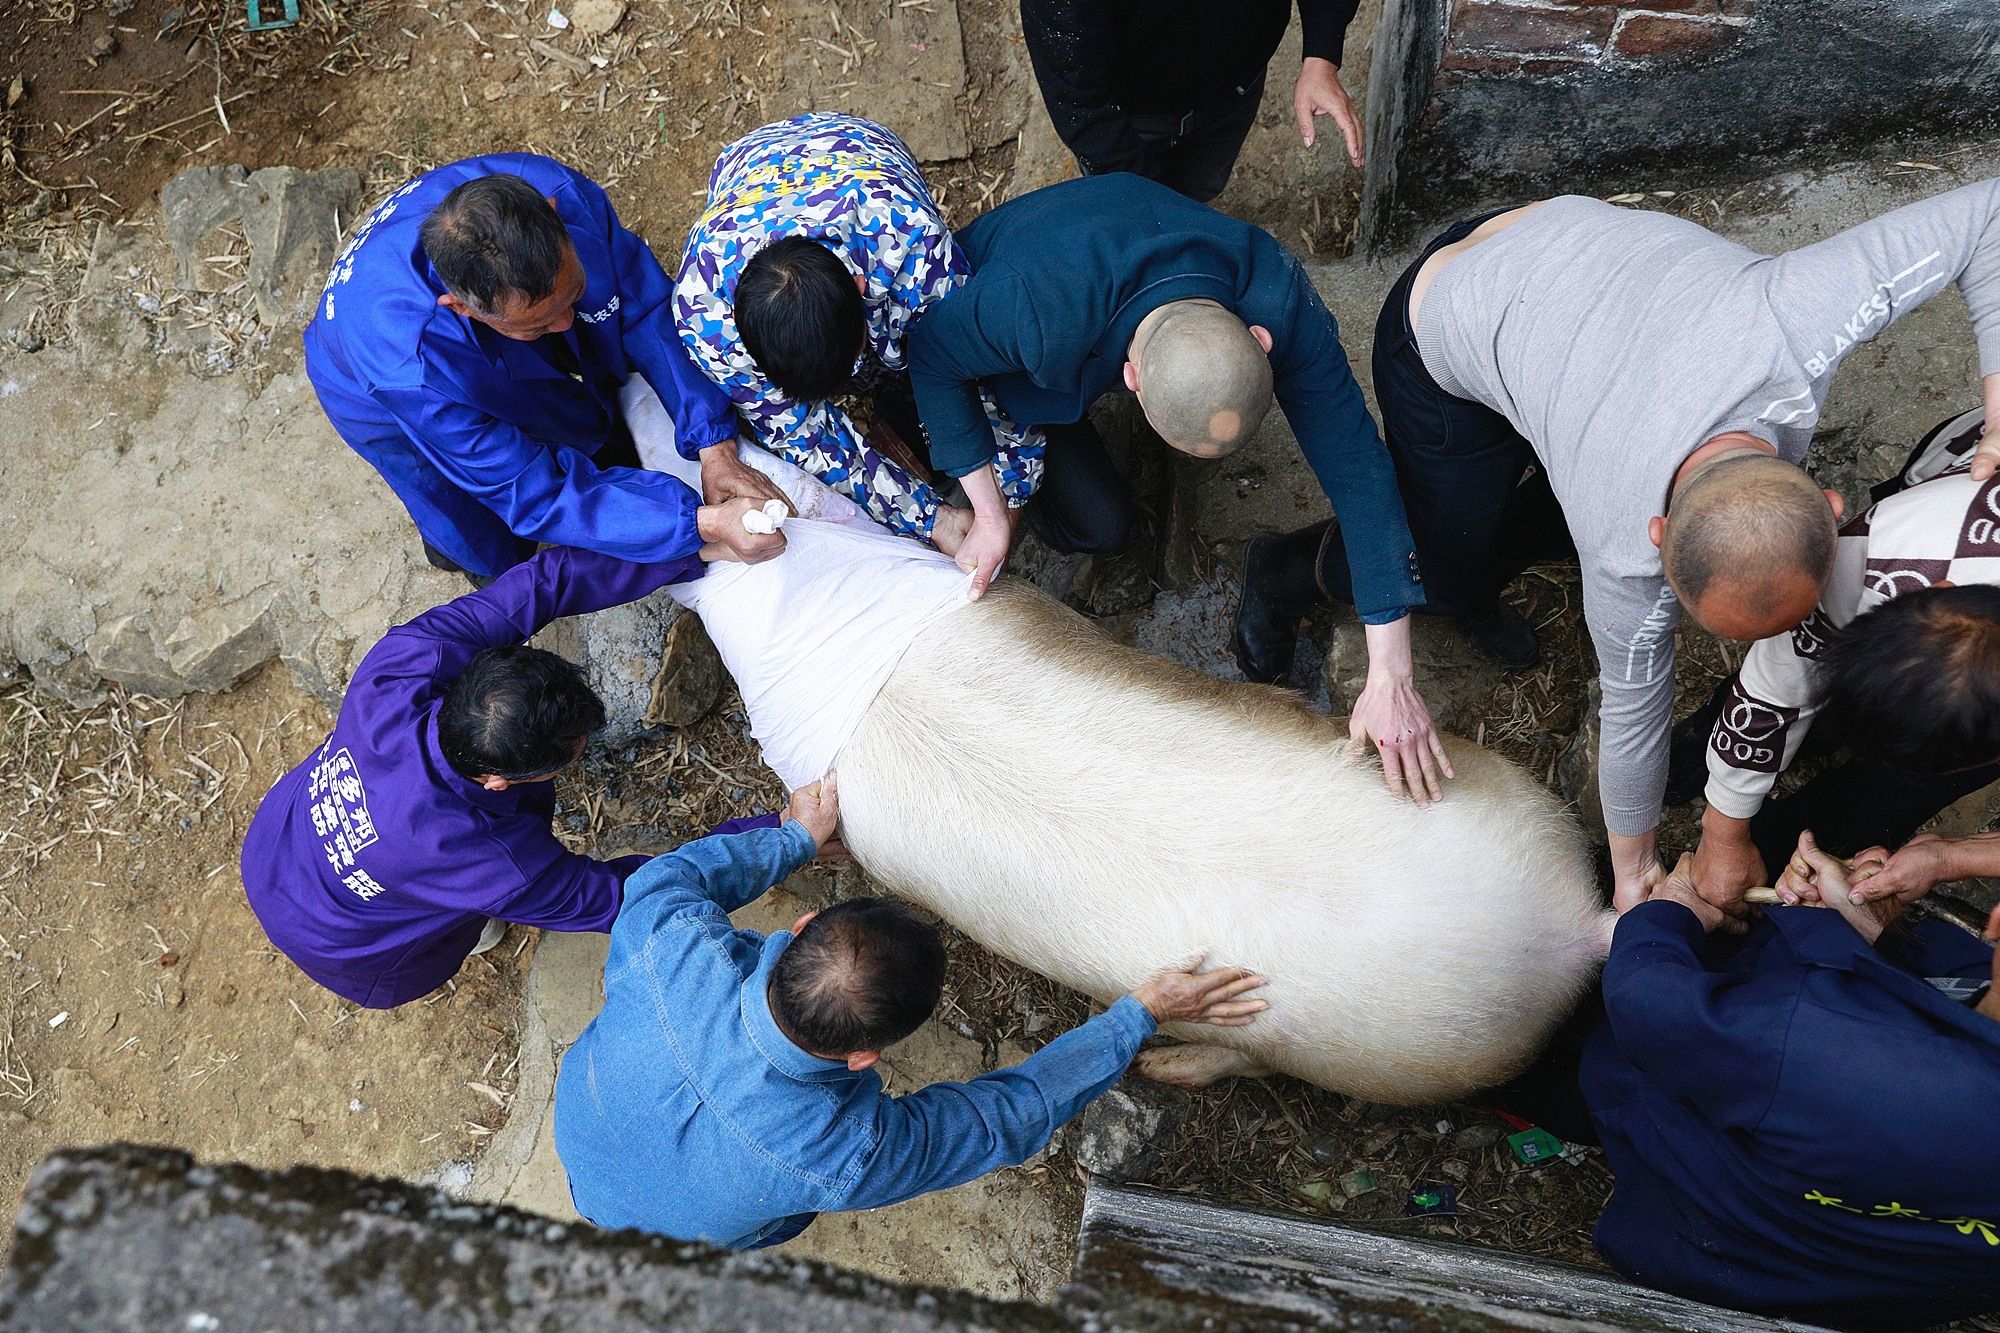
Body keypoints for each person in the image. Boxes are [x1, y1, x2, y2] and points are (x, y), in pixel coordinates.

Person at [1239, 181, 2000, 910]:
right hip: (1451, 310)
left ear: (1830, 510)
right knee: (1443, 564)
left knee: (1528, 509)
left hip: (1581, 288)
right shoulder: (1617, 549)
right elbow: (1632, 715)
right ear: (1656, 540)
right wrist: (1635, 873)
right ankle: (1281, 570)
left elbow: (1986, 214)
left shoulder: (1799, 315)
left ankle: (1503, 524)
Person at [905, 172, 1452, 802]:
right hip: (1015, 307)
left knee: (1102, 517)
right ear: (1131, 382)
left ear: (1260, 339)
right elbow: (931, 353)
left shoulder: (1275, 289)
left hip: (1111, 265)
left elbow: (1359, 468)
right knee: (1096, 526)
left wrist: (1391, 675)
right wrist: (990, 511)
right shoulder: (1030, 309)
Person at [552, 773, 1269, 1250]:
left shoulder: (668, 938)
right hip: (675, 1235)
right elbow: (1003, 1117)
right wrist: (1139, 1012)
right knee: (785, 1211)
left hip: (581, 1135)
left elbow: (670, 874)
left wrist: (794, 837)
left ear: (803, 926)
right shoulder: (842, 1155)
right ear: (865, 1057)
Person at [1491, 850, 2000, 1331]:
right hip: (1860, 1279)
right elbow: (1963, 992)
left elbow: (1652, 1007)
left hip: (1721, 1226)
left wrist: (1668, 915)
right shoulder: (1884, 1059)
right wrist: (1883, 935)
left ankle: (1511, 1080)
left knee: (1599, 1090)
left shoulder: (1828, 1046)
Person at [241, 546, 701, 1008]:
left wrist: (687, 547)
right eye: (573, 756)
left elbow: (543, 584)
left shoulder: (403, 666)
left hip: (272, 845)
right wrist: (768, 835)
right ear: (497, 781)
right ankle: (471, 925)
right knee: (447, 934)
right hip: (348, 946)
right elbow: (627, 897)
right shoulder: (492, 865)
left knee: (445, 890)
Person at [305, 154, 787, 585]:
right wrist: (696, 524)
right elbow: (529, 490)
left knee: (571, 393)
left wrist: (713, 444)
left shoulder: (553, 192)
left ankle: (599, 456)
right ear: (464, 310)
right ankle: (476, 553)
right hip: (361, 385)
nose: (565, 324)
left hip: (441, 305)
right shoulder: (411, 370)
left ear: (554, 219)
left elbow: (643, 308)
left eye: (571, 296)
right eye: (537, 324)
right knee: (463, 508)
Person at [674, 114, 1043, 552]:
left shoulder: (913, 247)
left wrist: (1006, 503)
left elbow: (988, 372)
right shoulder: (705, 319)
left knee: (924, 357)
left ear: (860, 288)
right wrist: (933, 521)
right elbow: (805, 436)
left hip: (855, 146)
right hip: (746, 170)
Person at [1677, 406, 2000, 898]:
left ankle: (1792, 839)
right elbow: (1777, 683)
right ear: (1932, 591)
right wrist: (1723, 834)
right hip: (1967, 473)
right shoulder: (1882, 553)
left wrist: (1949, 856)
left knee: (1885, 795)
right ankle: (1694, 759)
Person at [1021, 0, 1367, 204]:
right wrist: (1155, 215)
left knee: (1200, 188)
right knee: (1133, 214)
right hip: (1128, 117)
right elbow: (1078, 100)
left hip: (1235, 90)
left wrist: (1321, 59)